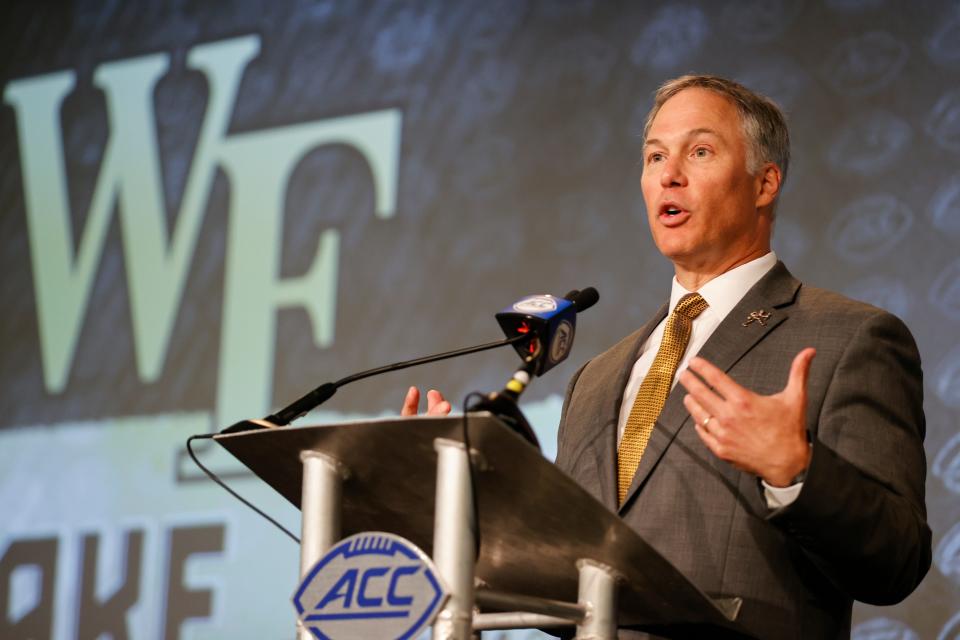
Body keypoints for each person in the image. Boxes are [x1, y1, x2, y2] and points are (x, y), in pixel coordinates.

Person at [404, 75, 931, 639]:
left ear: (764, 183)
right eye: (655, 156)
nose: (668, 175)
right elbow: (566, 580)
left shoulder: (851, 337)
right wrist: (464, 505)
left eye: (700, 152)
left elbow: (896, 561)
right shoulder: (595, 379)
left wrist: (796, 470)